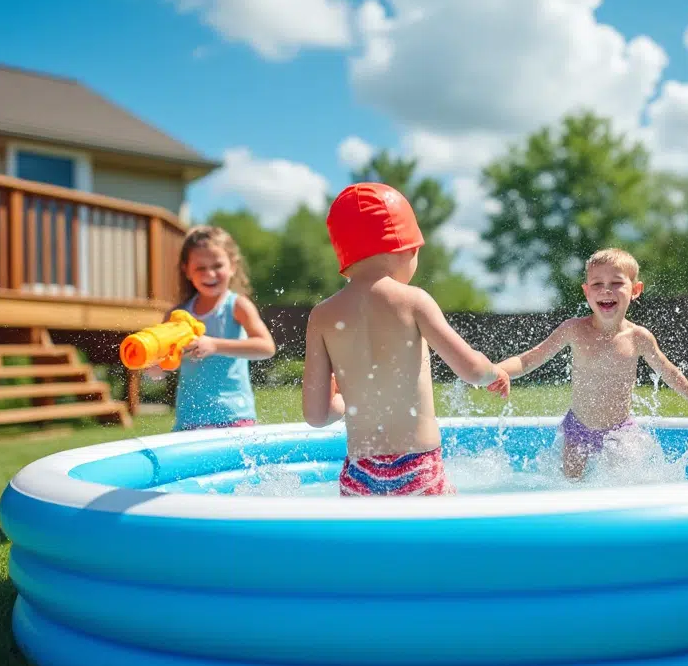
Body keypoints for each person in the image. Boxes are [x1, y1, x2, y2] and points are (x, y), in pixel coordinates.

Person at [301, 182, 508, 496]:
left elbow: (316, 416)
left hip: (359, 473)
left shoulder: (322, 315)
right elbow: (473, 370)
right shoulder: (413, 301)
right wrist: (494, 371)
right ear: (405, 248)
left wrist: (345, 400)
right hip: (418, 469)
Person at [488, 248, 688, 479]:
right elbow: (528, 359)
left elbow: (668, 371)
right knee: (570, 484)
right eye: (597, 284)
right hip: (577, 429)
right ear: (587, 292)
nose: (606, 290)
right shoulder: (574, 329)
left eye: (616, 283)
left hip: (620, 432)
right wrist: (497, 371)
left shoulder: (639, 337)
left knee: (620, 482)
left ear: (635, 290)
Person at [143, 226, 277, 430]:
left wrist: (214, 345)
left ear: (233, 266)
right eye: (200, 268)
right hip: (190, 420)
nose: (210, 273)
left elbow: (266, 347)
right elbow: (159, 371)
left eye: (217, 265)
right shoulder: (176, 315)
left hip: (234, 417)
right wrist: (152, 364)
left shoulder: (237, 306)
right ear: (187, 270)